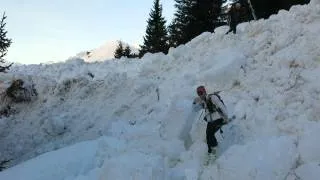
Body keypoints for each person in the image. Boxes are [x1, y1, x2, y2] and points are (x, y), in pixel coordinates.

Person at [193, 86, 229, 154]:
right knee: (208, 136)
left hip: (218, 119)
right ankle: (210, 151)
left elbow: (221, 106)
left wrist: (226, 117)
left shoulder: (212, 97)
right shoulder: (204, 102)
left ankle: (214, 149)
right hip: (211, 121)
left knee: (210, 134)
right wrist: (194, 102)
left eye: (201, 92)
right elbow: (195, 108)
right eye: (198, 93)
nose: (200, 95)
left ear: (204, 92)